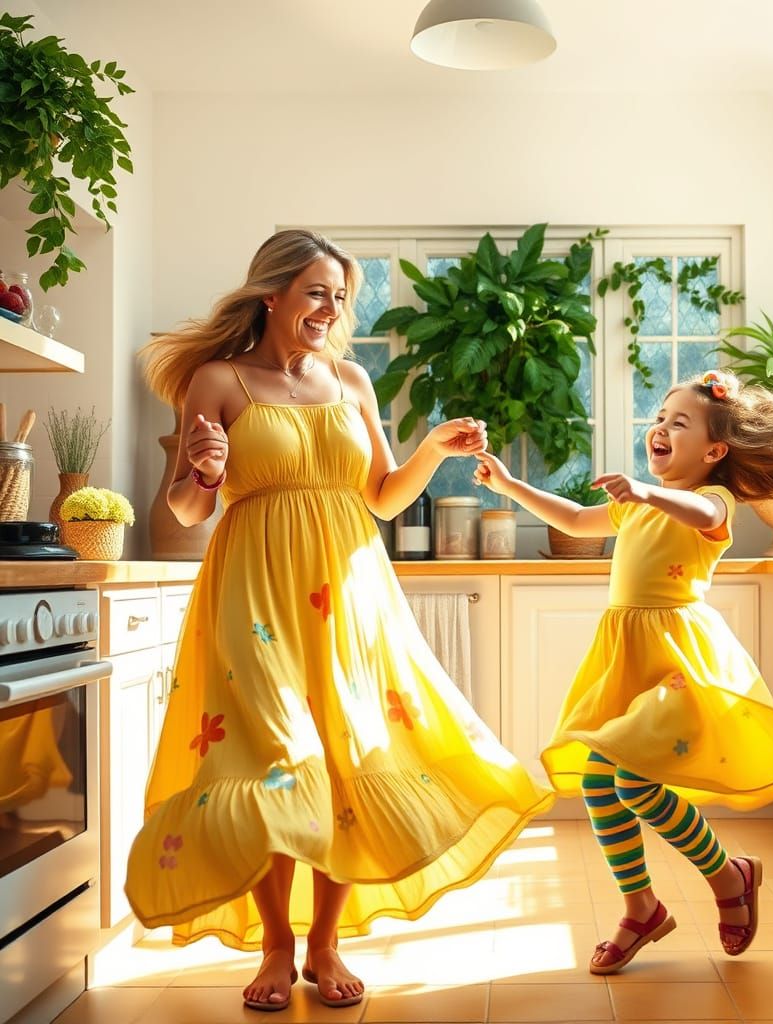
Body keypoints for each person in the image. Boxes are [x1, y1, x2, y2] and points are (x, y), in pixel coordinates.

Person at [126, 229, 553, 1012]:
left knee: (342, 759)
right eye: (318, 291)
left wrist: (433, 447)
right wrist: (203, 469)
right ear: (273, 294)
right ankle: (274, 944)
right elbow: (186, 507)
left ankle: (323, 942)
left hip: (348, 597)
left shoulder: (352, 380)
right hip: (251, 596)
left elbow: (383, 497)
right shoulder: (218, 379)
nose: (332, 308)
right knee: (271, 763)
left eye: (341, 296)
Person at [474, 369, 773, 973]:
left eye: (677, 423)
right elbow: (579, 520)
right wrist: (510, 486)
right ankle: (642, 908)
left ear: (714, 452)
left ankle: (728, 875)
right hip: (625, 657)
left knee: (634, 784)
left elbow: (694, 508)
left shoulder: (714, 503)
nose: (660, 429)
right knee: (600, 783)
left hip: (678, 662)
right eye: (659, 419)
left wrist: (645, 491)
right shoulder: (635, 506)